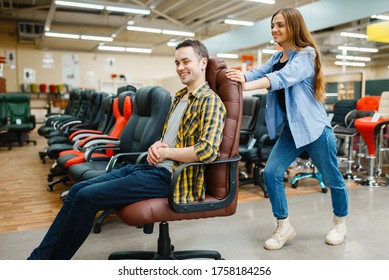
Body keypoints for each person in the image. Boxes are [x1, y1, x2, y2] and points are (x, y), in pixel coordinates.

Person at [28, 39, 226, 259]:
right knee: (76, 191)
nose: (180, 67)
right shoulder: (180, 97)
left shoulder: (210, 101)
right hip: (150, 168)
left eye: (186, 61)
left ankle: (48, 263)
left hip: (172, 179)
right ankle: (37, 260)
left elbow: (207, 151)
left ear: (203, 62)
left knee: (86, 198)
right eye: (177, 62)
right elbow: (170, 140)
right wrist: (156, 146)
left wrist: (167, 153)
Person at [226, 8, 348, 250]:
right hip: (292, 131)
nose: (274, 29)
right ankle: (284, 226)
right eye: (272, 25)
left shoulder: (306, 55)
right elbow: (256, 73)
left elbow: (282, 78)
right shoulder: (275, 58)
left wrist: (247, 86)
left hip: (315, 129)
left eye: (280, 25)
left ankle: (340, 223)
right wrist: (233, 76)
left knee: (333, 178)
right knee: (271, 173)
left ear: (294, 26)